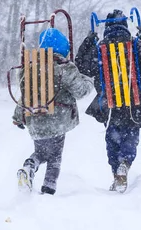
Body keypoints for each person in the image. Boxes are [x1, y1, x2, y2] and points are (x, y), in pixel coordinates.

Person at [75, 9, 141, 192]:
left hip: (110, 104)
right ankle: (125, 163)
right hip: (135, 103)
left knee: (112, 138)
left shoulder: (100, 48)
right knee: (130, 135)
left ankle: (116, 172)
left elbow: (81, 65)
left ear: (106, 27)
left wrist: (90, 39)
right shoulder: (137, 46)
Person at [12, 27, 92, 195]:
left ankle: (29, 166)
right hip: (58, 121)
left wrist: (18, 116)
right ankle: (49, 188)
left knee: (40, 152)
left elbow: (26, 95)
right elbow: (81, 91)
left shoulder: (30, 68)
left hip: (34, 119)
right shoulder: (64, 68)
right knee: (55, 155)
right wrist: (88, 79)